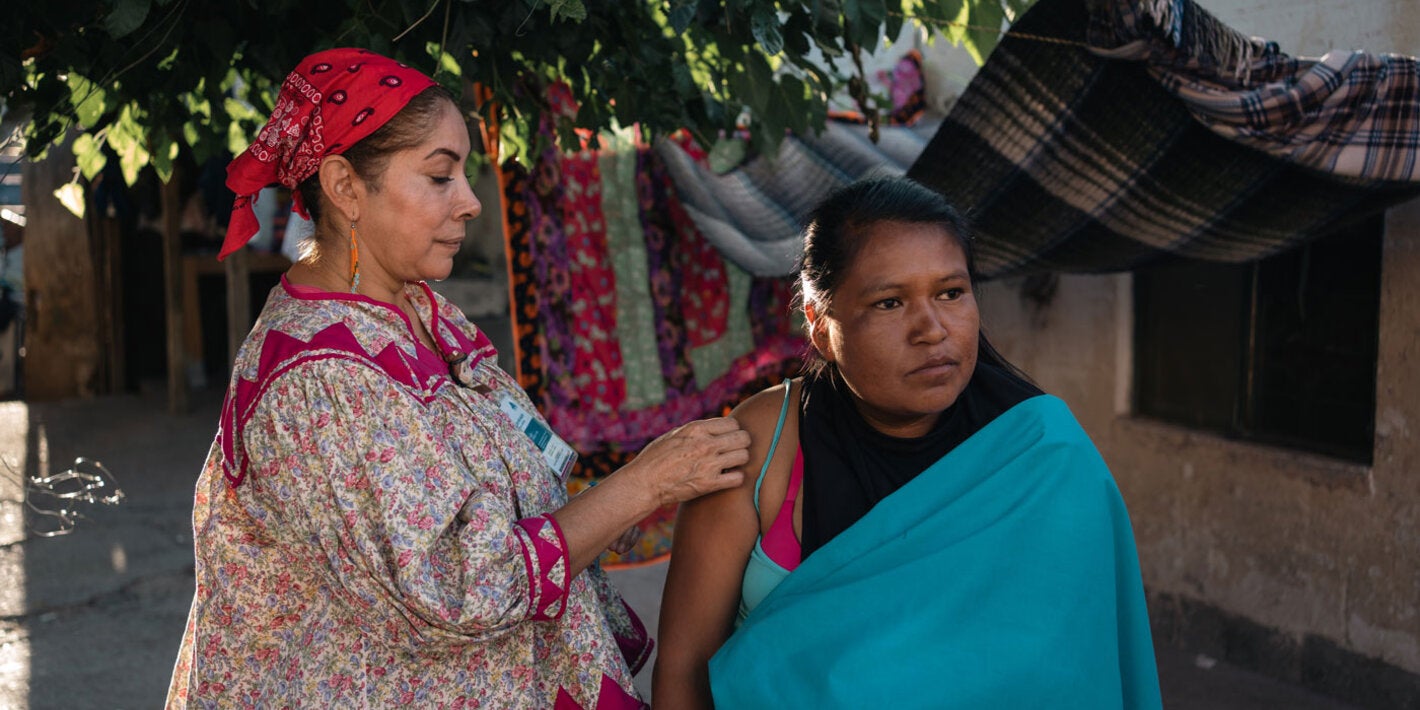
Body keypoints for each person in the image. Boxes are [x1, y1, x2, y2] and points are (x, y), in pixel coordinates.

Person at [165, 48, 751, 708]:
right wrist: (645, 483)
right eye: (440, 177)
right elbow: (460, 588)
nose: (471, 202)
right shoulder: (322, 382)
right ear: (345, 187)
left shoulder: (419, 311)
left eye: (464, 175)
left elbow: (512, 471)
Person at [653, 176, 1162, 708]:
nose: (932, 329)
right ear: (821, 327)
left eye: (950, 293)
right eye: (890, 303)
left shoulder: (1043, 457)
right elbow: (684, 670)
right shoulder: (763, 445)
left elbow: (1074, 672)